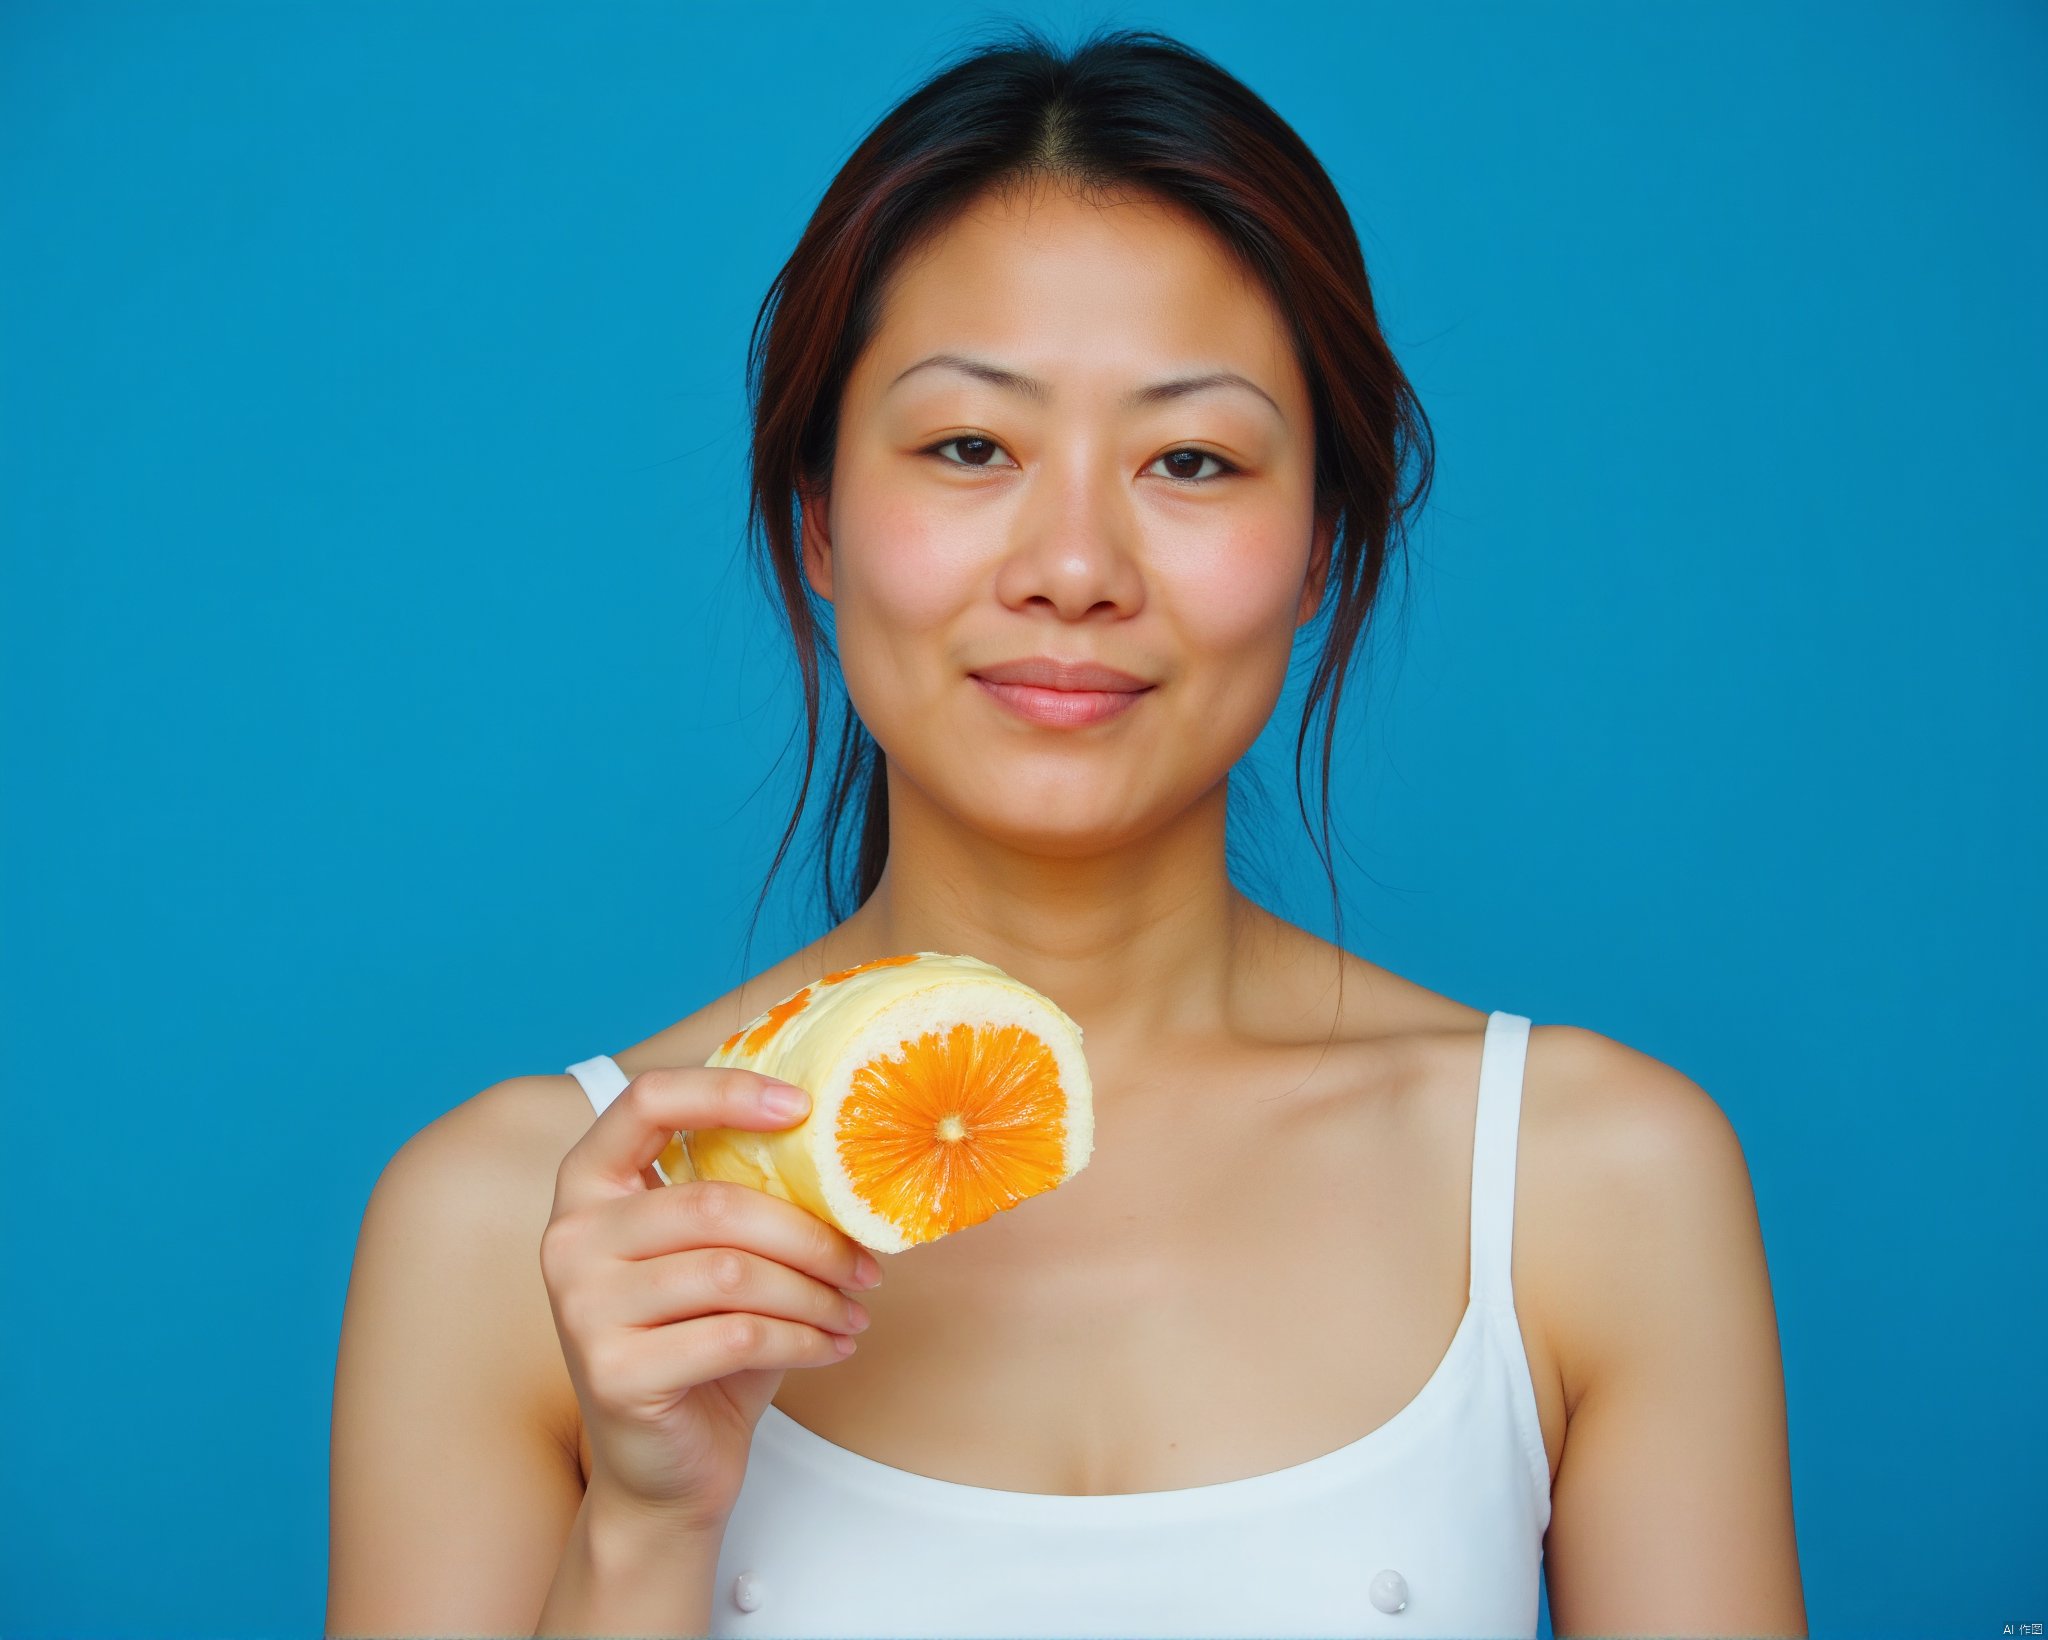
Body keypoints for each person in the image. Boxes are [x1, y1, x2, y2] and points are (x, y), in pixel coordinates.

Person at [327, 23, 1806, 1640]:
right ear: (818, 518)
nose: (1076, 563)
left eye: (1192, 458)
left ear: (1321, 547)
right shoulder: (518, 1226)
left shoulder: (1592, 1184)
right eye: (970, 446)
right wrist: (649, 1528)